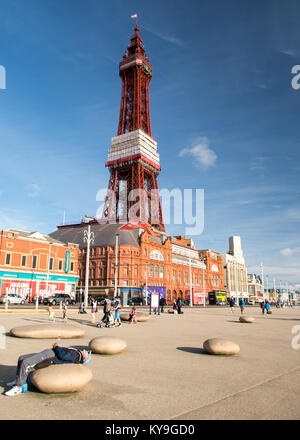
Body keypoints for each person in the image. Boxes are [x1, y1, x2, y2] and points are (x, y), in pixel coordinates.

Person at [4, 342, 90, 397]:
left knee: (26, 363)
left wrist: (57, 347)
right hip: (48, 352)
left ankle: (18, 387)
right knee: (21, 358)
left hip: (50, 356)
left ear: (85, 358)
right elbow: (64, 352)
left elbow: (63, 356)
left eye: (87, 353)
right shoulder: (75, 351)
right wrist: (58, 347)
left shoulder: (78, 356)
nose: (85, 351)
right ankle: (17, 379)